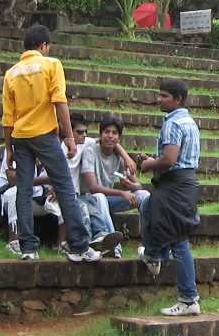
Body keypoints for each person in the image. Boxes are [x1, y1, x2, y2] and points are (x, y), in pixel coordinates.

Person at [1, 24, 99, 262]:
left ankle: (28, 247)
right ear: (43, 45)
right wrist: (68, 136)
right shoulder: (51, 64)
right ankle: (78, 244)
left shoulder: (11, 73)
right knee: (65, 186)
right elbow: (60, 102)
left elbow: (7, 117)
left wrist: (9, 148)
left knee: (23, 191)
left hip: (20, 137)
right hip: (45, 135)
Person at [136, 78, 202, 316]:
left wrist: (148, 164)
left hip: (174, 184)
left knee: (179, 241)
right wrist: (153, 159)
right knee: (148, 206)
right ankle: (154, 254)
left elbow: (169, 160)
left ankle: (188, 298)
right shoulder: (189, 122)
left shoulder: (173, 123)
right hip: (185, 183)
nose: (159, 99)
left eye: (164, 96)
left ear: (178, 99)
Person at [80, 114, 147, 257]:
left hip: (107, 201)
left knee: (144, 195)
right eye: (106, 132)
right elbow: (93, 188)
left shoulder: (120, 157)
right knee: (99, 197)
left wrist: (130, 185)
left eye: (114, 133)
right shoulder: (90, 151)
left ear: (119, 138)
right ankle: (114, 247)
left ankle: (150, 244)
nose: (110, 136)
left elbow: (139, 186)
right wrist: (122, 193)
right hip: (89, 200)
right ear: (100, 134)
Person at [0, 151, 62, 257]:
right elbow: (13, 180)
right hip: (7, 197)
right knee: (15, 192)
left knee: (63, 193)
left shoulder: (47, 148)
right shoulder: (14, 148)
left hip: (37, 196)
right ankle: (14, 242)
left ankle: (61, 245)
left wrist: (54, 187)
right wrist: (47, 180)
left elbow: (58, 177)